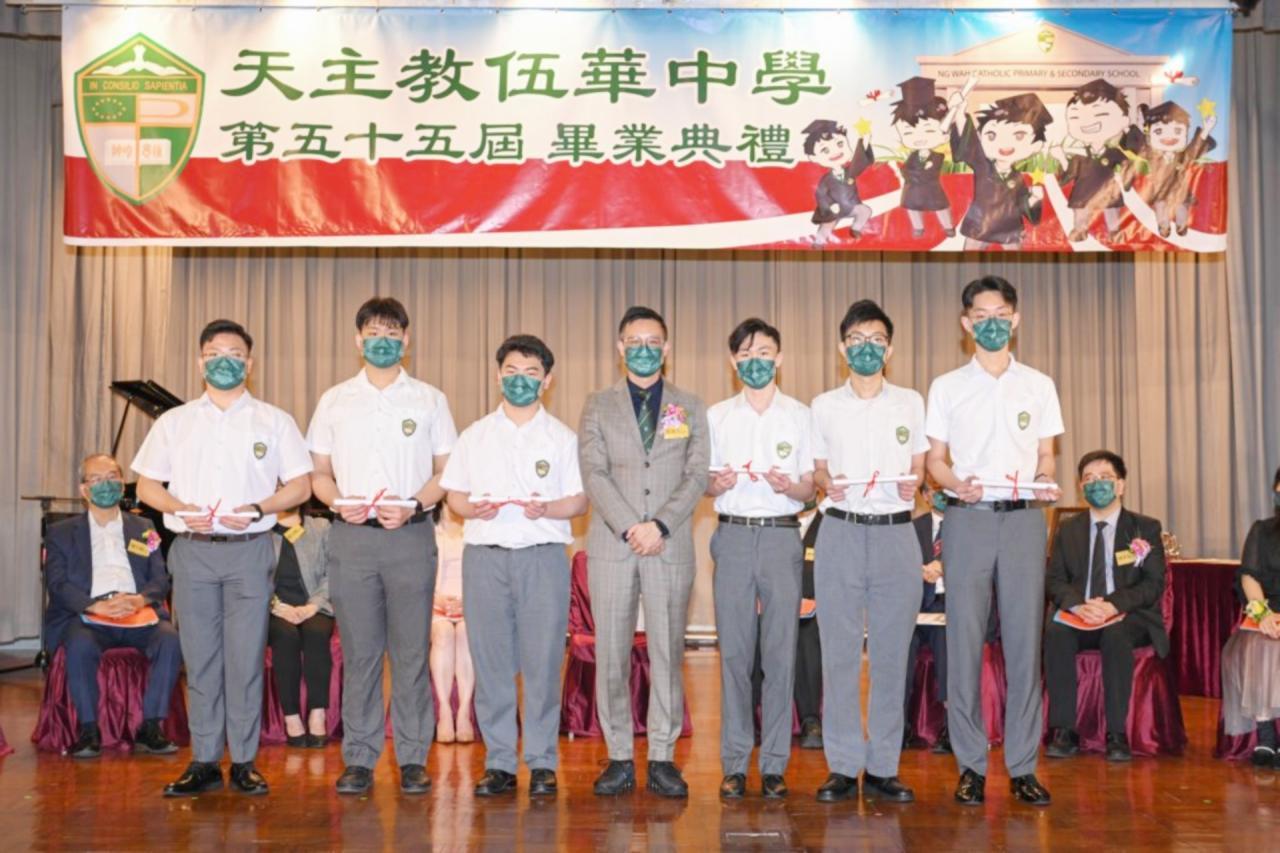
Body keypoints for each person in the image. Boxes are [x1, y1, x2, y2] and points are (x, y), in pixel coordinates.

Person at [133, 319, 313, 797]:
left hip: (249, 552)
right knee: (200, 660)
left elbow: (301, 486)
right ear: (200, 362)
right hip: (192, 552)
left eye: (235, 354)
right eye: (214, 354)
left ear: (250, 364)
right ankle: (205, 760)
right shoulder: (175, 422)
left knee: (246, 659)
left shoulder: (274, 421)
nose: (224, 361)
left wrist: (259, 507)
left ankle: (245, 761)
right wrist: (178, 508)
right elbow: (147, 485)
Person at [308, 297, 457, 796]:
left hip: (410, 536)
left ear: (406, 340)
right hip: (351, 539)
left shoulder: (430, 399)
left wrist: (414, 504)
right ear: (358, 340)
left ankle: (413, 757)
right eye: (373, 332)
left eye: (392, 333)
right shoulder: (334, 400)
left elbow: (446, 472)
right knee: (361, 654)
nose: (383, 340)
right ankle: (359, 757)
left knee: (412, 653)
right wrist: (336, 501)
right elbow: (318, 472)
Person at [926, 276, 1064, 807]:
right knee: (963, 642)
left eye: (1000, 314)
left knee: (1025, 643)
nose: (991, 323)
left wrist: (1046, 477)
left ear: (1015, 319)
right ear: (966, 324)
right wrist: (955, 484)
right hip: (968, 519)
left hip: (1024, 521)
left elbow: (1046, 454)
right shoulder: (946, 386)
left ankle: (1023, 765)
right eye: (981, 316)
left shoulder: (1039, 384)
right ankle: (970, 766)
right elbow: (936, 460)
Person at [442, 334, 588, 798]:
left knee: (543, 663)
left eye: (531, 373)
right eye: (511, 371)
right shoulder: (474, 435)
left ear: (547, 380)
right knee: (490, 663)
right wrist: (470, 509)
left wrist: (548, 509)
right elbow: (454, 495)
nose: (520, 380)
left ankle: (542, 763)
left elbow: (579, 500)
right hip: (485, 558)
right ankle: (500, 762)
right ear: (497, 375)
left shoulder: (563, 438)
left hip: (542, 558)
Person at [579, 306, 709, 798]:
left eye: (653, 341)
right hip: (613, 544)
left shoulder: (689, 405)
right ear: (620, 347)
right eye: (634, 341)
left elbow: (697, 474)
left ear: (666, 348)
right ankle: (617, 757)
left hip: (668, 545)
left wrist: (659, 525)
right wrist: (632, 526)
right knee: (611, 652)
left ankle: (661, 758)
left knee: (667, 654)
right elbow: (594, 473)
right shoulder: (597, 404)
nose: (644, 349)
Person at [810, 299, 927, 804]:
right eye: (856, 340)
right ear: (842, 348)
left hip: (896, 535)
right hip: (840, 531)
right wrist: (826, 483)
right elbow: (817, 469)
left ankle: (882, 766)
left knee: (890, 655)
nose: (866, 348)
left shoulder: (910, 402)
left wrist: (914, 483)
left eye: (876, 340)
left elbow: (919, 466)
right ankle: (841, 765)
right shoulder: (823, 405)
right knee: (837, 654)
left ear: (890, 348)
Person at [706, 318, 815, 800]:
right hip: (732, 535)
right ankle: (734, 763)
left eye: (764, 352)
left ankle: (774, 764)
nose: (756, 361)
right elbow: (702, 483)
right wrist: (715, 484)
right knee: (733, 655)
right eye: (746, 354)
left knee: (779, 654)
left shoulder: (800, 415)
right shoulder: (716, 416)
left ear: (780, 357)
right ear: (734, 362)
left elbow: (811, 488)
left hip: (781, 537)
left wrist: (791, 486)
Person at [43, 453, 182, 759]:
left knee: (170, 640)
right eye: (96, 479)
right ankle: (89, 730)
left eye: (112, 477)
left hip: (138, 610)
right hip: (90, 614)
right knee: (79, 644)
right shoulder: (61, 532)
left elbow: (160, 577)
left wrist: (140, 600)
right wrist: (94, 606)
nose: (105, 484)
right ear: (84, 489)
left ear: (122, 483)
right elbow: (57, 583)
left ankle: (151, 727)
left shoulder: (145, 527)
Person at [1044, 450, 1169, 763]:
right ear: (1080, 488)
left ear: (1121, 485)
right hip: (1081, 613)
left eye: (1104, 478)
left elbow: (1153, 583)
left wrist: (1113, 605)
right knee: (1056, 632)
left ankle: (1116, 733)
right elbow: (1054, 579)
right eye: (1089, 479)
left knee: (1116, 635)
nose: (1096, 484)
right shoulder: (1068, 529)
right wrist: (1077, 606)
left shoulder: (1144, 528)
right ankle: (1064, 729)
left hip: (1128, 615)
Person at [1221, 466, 1280, 768]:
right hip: (1269, 611)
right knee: (1260, 645)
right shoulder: (1262, 531)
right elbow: (1249, 577)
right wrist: (1263, 614)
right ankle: (1266, 737)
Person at [947, 90, 1053, 250]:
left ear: (1036, 145)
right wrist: (960, 113)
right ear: (980, 137)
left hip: (1009, 228)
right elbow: (970, 144)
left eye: (1018, 136)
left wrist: (1034, 199)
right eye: (991, 135)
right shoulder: (982, 164)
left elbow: (1022, 206)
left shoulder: (1017, 178)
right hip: (980, 225)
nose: (1004, 143)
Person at [267, 506, 335, 749]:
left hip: (315, 605)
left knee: (316, 633)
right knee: (285, 636)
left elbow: (332, 571)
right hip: (275, 609)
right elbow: (253, 576)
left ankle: (318, 712)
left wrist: (313, 605)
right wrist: (275, 605)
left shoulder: (320, 527)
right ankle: (291, 716)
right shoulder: (260, 532)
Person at [903, 480, 952, 755]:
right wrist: (918, 571)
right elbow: (898, 565)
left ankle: (950, 726)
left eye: (944, 488)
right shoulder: (912, 527)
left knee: (946, 640)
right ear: (925, 495)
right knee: (900, 644)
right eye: (934, 489)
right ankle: (900, 725)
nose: (941, 494)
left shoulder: (966, 527)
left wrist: (945, 566)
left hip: (947, 605)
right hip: (915, 604)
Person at [889, 76, 957, 238]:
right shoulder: (913, 156)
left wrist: (911, 174)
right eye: (909, 132)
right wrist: (908, 173)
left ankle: (948, 227)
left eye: (928, 130)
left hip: (931, 189)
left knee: (941, 208)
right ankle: (918, 228)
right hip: (912, 190)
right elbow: (906, 170)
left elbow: (928, 173)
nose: (919, 137)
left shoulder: (938, 156)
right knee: (913, 209)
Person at [429, 505, 474, 745]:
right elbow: (418, 575)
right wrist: (435, 599)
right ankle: (445, 711)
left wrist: (468, 601)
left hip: (470, 604)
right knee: (444, 633)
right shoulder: (429, 531)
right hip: (435, 605)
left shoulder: (476, 530)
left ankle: (464, 711)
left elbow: (484, 576)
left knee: (466, 632)